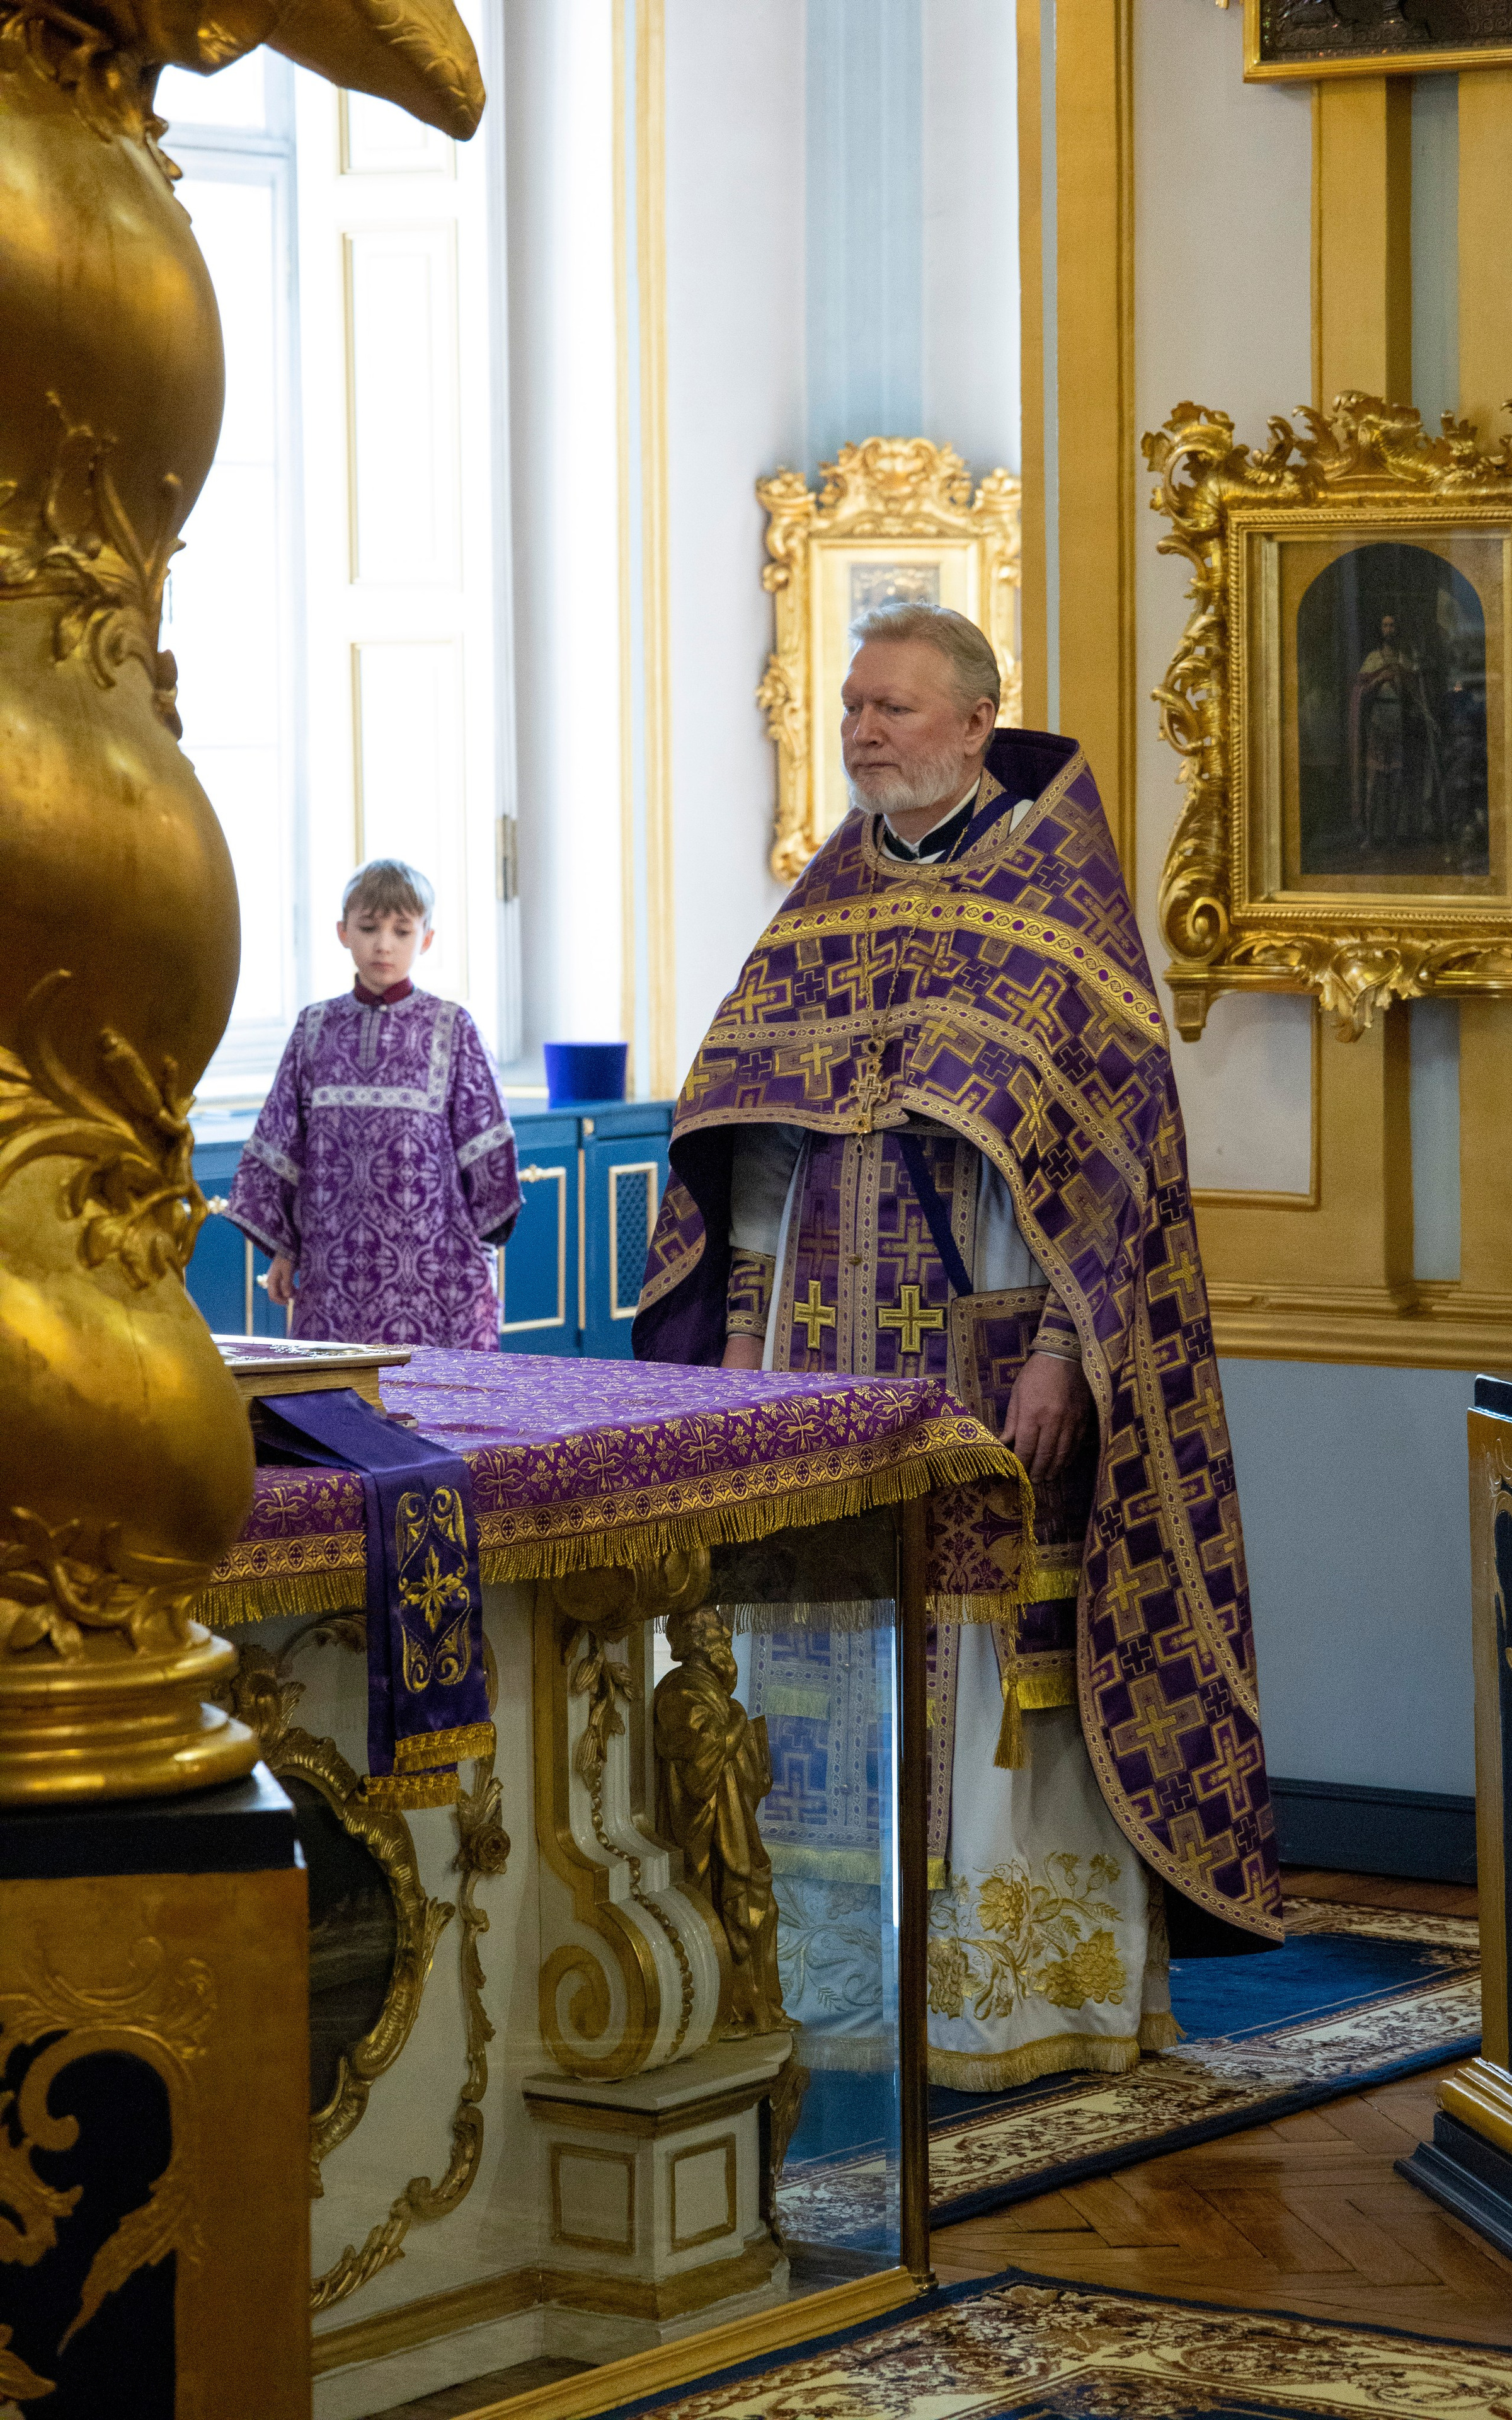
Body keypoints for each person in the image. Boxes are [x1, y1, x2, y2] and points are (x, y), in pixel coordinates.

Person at [635, 601, 1280, 2093]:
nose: (861, 731)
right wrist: (738, 1346)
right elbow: (758, 1148)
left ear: (974, 723)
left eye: (893, 708)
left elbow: (1109, 1171)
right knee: (819, 1657)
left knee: (994, 1675)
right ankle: (833, 1992)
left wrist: (1061, 1349)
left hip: (983, 1364)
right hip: (818, 1358)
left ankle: (1005, 2006)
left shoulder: (1054, 899)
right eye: (852, 706)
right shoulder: (825, 901)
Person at [226, 858, 520, 1349]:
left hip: (438, 1267)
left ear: (426, 939)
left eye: (402, 931)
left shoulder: (452, 1027)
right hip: (331, 1268)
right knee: (334, 1387)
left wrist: (484, 1254)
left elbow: (486, 1147)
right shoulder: (315, 1028)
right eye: (368, 928)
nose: (384, 944)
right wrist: (284, 1251)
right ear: (343, 932)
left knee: (436, 1392)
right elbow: (283, 1144)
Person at [1349, 611, 1442, 851]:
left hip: (1398, 725)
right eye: (1385, 625)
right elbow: (1362, 691)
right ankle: (1370, 835)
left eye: (1392, 625)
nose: (1389, 629)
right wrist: (1380, 679)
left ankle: (1392, 834)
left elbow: (1415, 694)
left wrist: (1406, 680)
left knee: (1396, 782)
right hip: (1378, 724)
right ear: (1380, 629)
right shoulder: (1373, 659)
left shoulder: (1404, 659)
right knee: (1374, 783)